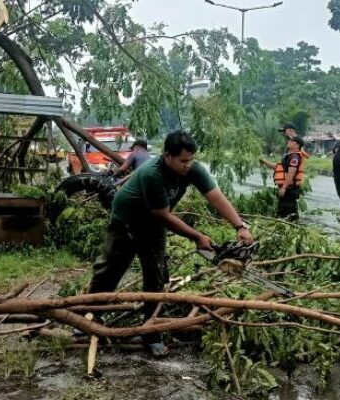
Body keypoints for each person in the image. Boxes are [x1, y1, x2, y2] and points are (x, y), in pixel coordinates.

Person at [86, 130, 253, 356]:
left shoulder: (192, 169)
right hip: (127, 220)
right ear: (167, 156)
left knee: (155, 276)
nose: (188, 165)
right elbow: (163, 215)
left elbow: (215, 196)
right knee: (110, 269)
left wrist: (239, 226)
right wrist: (196, 236)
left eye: (191, 160)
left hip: (153, 224)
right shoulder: (151, 174)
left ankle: (151, 333)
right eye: (183, 161)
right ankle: (88, 317)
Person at [260, 136, 305, 221]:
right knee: (283, 210)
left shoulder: (294, 157)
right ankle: (287, 226)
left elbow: (291, 174)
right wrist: (264, 161)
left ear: (297, 144)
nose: (288, 141)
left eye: (291, 140)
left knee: (287, 211)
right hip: (287, 189)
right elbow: (277, 167)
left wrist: (284, 187)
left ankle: (290, 227)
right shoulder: (289, 156)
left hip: (290, 190)